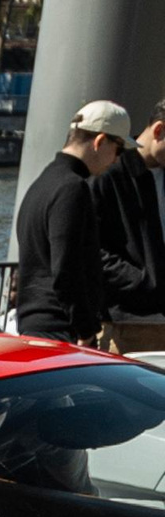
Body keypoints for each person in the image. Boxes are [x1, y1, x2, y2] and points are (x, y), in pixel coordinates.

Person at [14, 100, 129, 345]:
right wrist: (86, 331)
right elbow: (66, 269)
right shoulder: (72, 188)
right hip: (60, 330)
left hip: (34, 325)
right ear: (99, 142)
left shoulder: (42, 183)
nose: (117, 160)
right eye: (118, 150)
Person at [94, 104, 165, 352]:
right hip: (125, 321)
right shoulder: (109, 174)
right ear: (158, 131)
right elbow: (91, 248)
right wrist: (145, 282)